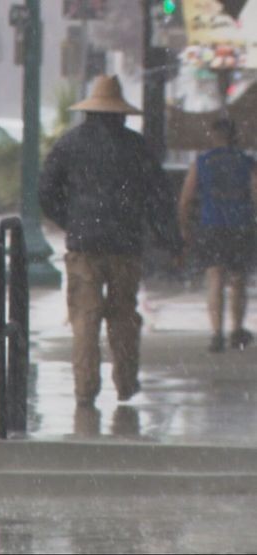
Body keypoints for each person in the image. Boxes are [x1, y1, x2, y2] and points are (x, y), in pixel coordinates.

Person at [39, 75, 183, 407]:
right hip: (125, 245)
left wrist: (72, 220)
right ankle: (126, 382)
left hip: (85, 246)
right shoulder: (137, 147)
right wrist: (170, 241)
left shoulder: (69, 144)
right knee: (123, 316)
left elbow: (46, 191)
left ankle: (86, 387)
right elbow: (159, 197)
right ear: (120, 113)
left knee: (85, 319)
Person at [177, 118, 257, 353]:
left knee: (215, 278)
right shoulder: (246, 162)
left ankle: (216, 334)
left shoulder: (202, 162)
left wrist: (184, 227)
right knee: (239, 280)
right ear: (235, 136)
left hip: (212, 226)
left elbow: (186, 198)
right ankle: (236, 330)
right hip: (240, 226)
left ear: (213, 136)